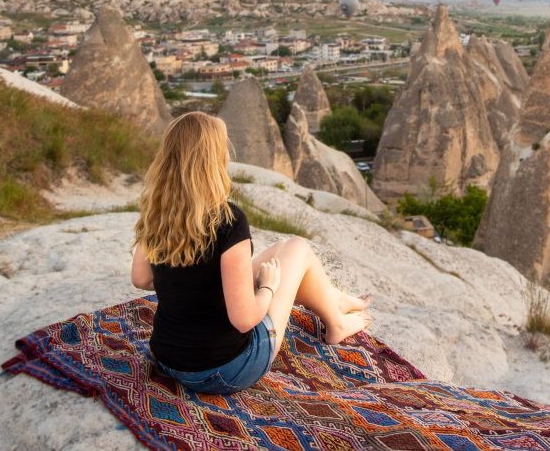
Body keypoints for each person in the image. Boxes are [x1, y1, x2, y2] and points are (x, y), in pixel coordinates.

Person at [130, 112, 370, 394]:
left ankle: (335, 300)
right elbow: (244, 320)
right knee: (297, 249)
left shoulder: (157, 212)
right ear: (215, 160)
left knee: (280, 251)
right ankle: (337, 321)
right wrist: (267, 288)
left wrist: (186, 281)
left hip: (168, 359)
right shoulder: (228, 220)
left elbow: (141, 278)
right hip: (225, 369)